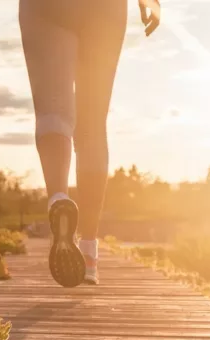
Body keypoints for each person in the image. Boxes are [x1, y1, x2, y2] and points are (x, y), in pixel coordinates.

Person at [19, 0, 161, 287]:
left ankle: (59, 198)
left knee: (53, 113)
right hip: (105, 9)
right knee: (93, 126)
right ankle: (89, 252)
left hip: (46, 8)